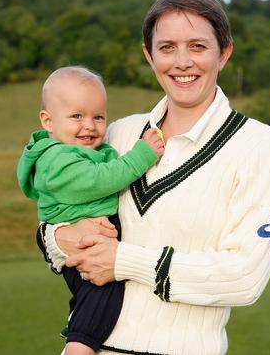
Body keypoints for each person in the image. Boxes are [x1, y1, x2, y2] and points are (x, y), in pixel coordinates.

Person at [39, 0, 270, 354]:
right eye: (167, 47)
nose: (182, 62)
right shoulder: (118, 134)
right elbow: (51, 222)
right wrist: (62, 238)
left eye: (198, 46)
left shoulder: (256, 144)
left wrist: (123, 260)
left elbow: (244, 277)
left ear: (225, 52)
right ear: (148, 54)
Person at [16, 66, 165, 355]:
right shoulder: (56, 159)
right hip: (84, 244)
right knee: (103, 292)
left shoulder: (82, 150)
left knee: (91, 296)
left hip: (94, 237)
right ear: (48, 121)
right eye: (76, 116)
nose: (90, 126)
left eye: (98, 117)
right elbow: (100, 180)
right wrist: (142, 156)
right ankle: (79, 346)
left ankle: (78, 330)